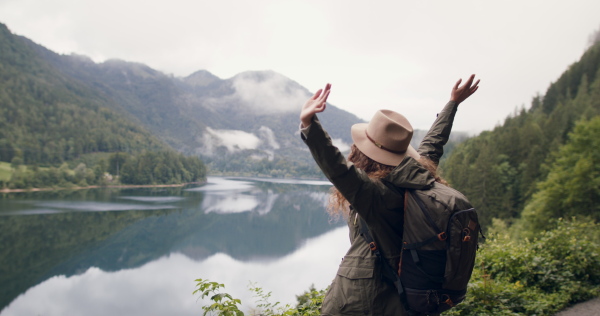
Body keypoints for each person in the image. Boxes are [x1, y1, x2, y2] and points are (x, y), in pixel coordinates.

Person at [299, 75, 480, 316]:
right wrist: (452, 104)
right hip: (405, 301)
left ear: (362, 154)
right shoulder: (418, 178)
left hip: (362, 303)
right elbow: (433, 143)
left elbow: (338, 169)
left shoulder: (375, 195)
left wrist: (309, 124)